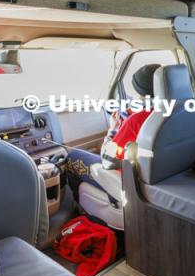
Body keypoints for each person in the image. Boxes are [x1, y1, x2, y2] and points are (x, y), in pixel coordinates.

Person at [65, 64, 160, 197]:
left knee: (72, 157)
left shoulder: (138, 119)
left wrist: (113, 129)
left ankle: (82, 211)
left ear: (141, 92)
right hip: (160, 176)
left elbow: (108, 159)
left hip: (131, 184)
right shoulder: (179, 110)